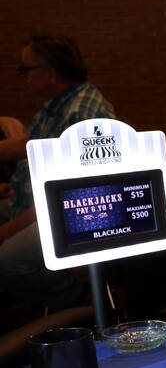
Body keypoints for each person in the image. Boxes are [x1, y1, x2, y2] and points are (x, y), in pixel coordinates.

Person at [0, 35, 113, 311]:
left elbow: (66, 195)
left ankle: (75, 302)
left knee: (5, 263)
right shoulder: (59, 103)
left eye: (26, 69)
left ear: (50, 72)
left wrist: (7, 230)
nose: (23, 77)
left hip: (65, 216)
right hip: (30, 205)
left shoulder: (82, 113)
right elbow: (30, 142)